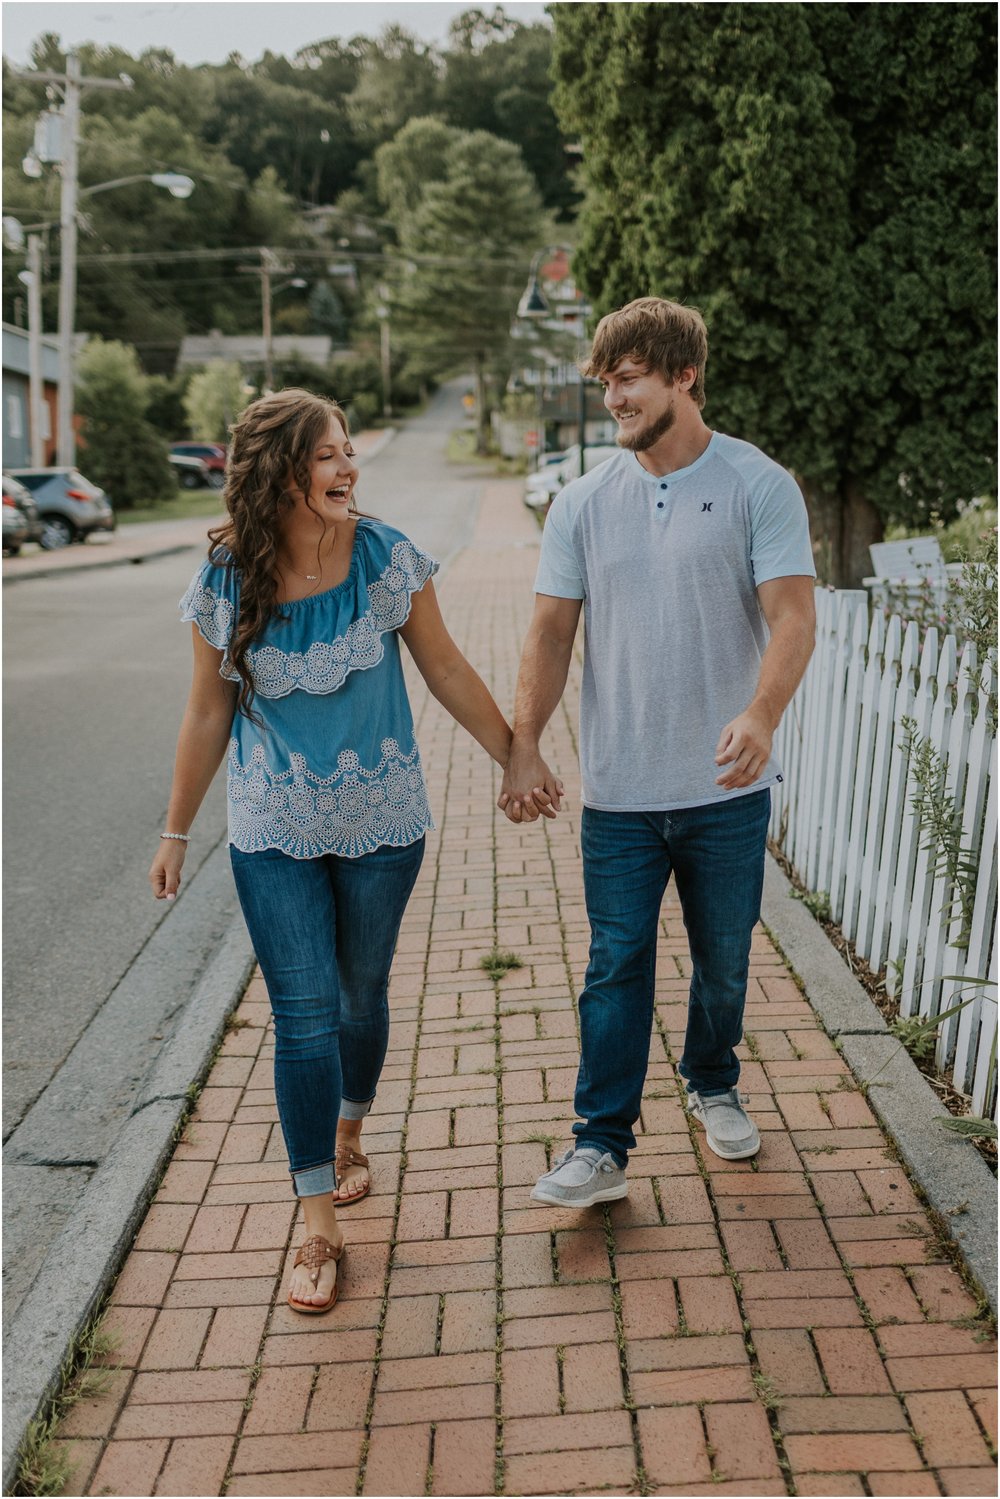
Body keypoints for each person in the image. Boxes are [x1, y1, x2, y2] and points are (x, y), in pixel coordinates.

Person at [150, 388, 513, 1312]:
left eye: (350, 452)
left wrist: (518, 751)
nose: (348, 469)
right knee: (303, 1013)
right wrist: (176, 828)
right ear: (280, 471)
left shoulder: (385, 557)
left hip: (383, 817)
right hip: (272, 827)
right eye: (327, 456)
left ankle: (351, 1130)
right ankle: (316, 1219)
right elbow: (206, 710)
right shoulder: (229, 580)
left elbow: (444, 666)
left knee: (361, 995)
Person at [498, 297, 816, 1208]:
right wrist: (526, 747)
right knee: (617, 962)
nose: (613, 398)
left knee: (722, 959)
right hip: (622, 791)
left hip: (724, 789)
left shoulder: (758, 485)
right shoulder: (584, 503)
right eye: (605, 381)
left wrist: (760, 713)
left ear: (684, 375)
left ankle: (712, 1078)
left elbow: (793, 615)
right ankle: (600, 1142)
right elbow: (549, 636)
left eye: (629, 377)